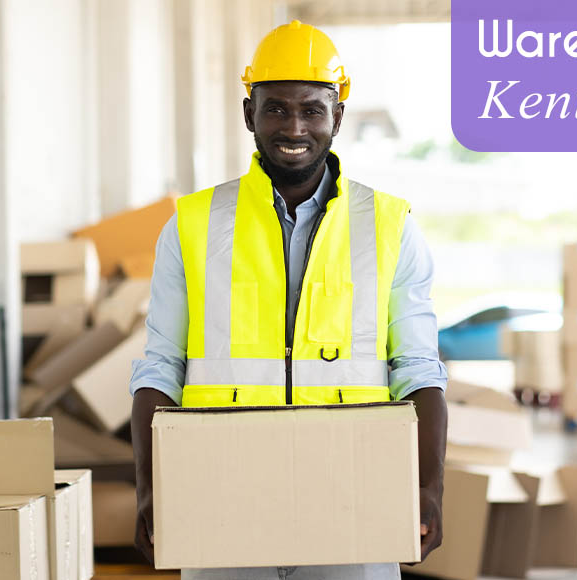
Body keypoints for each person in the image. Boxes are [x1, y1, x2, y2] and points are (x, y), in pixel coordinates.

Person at [128, 20, 448, 580]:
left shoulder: (391, 225)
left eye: (312, 109)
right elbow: (160, 367)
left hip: (354, 496)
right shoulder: (193, 224)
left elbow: (418, 370)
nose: (293, 126)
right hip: (223, 496)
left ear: (338, 117)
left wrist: (429, 488)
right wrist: (151, 488)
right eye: (275, 108)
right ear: (248, 113)